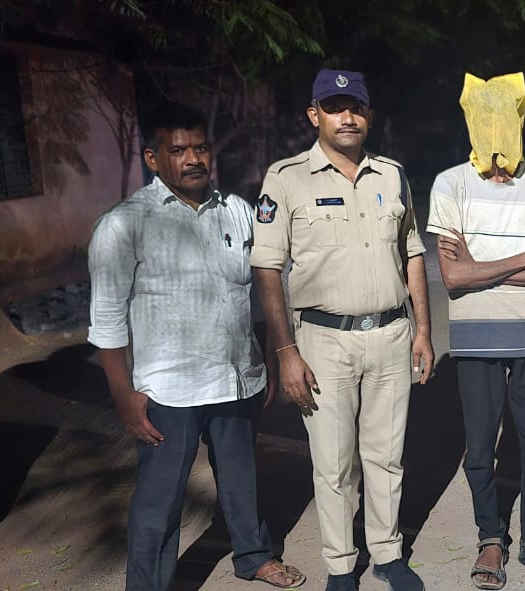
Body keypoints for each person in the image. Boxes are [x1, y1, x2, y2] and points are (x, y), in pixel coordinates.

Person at [87, 103, 304, 590]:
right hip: (168, 392)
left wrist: (268, 362)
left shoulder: (238, 212)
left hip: (236, 379)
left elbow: (264, 293)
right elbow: (107, 320)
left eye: (200, 148)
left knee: (242, 479)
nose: (193, 159)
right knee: (159, 499)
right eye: (178, 150)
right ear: (152, 158)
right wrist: (123, 396)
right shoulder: (124, 225)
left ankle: (254, 555)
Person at [250, 69, 434, 591]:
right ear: (314, 115)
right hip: (322, 342)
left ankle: (388, 554)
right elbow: (267, 269)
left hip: (392, 336)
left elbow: (413, 254)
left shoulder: (392, 176)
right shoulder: (286, 179)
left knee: (386, 457)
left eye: (355, 107)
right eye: (334, 108)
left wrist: (423, 330)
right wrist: (286, 352)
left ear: (368, 114)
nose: (347, 117)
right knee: (333, 465)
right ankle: (340, 565)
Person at [427, 72, 525, 589]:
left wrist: (482, 265)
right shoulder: (449, 184)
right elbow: (453, 277)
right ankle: (491, 538)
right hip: (475, 339)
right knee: (479, 447)